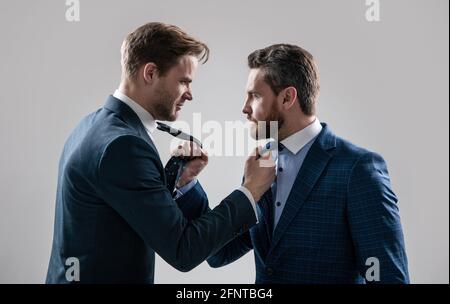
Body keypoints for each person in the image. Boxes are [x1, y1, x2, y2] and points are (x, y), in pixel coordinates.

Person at [46, 22, 275, 284]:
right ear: (151, 73)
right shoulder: (124, 146)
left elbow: (127, 209)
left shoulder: (91, 125)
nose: (190, 95)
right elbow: (183, 250)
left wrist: (178, 181)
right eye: (184, 82)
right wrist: (251, 191)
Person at [207, 44, 410, 284]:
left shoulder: (358, 169)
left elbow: (389, 278)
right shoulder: (261, 164)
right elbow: (218, 254)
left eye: (255, 95)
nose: (244, 107)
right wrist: (188, 186)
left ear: (287, 98)